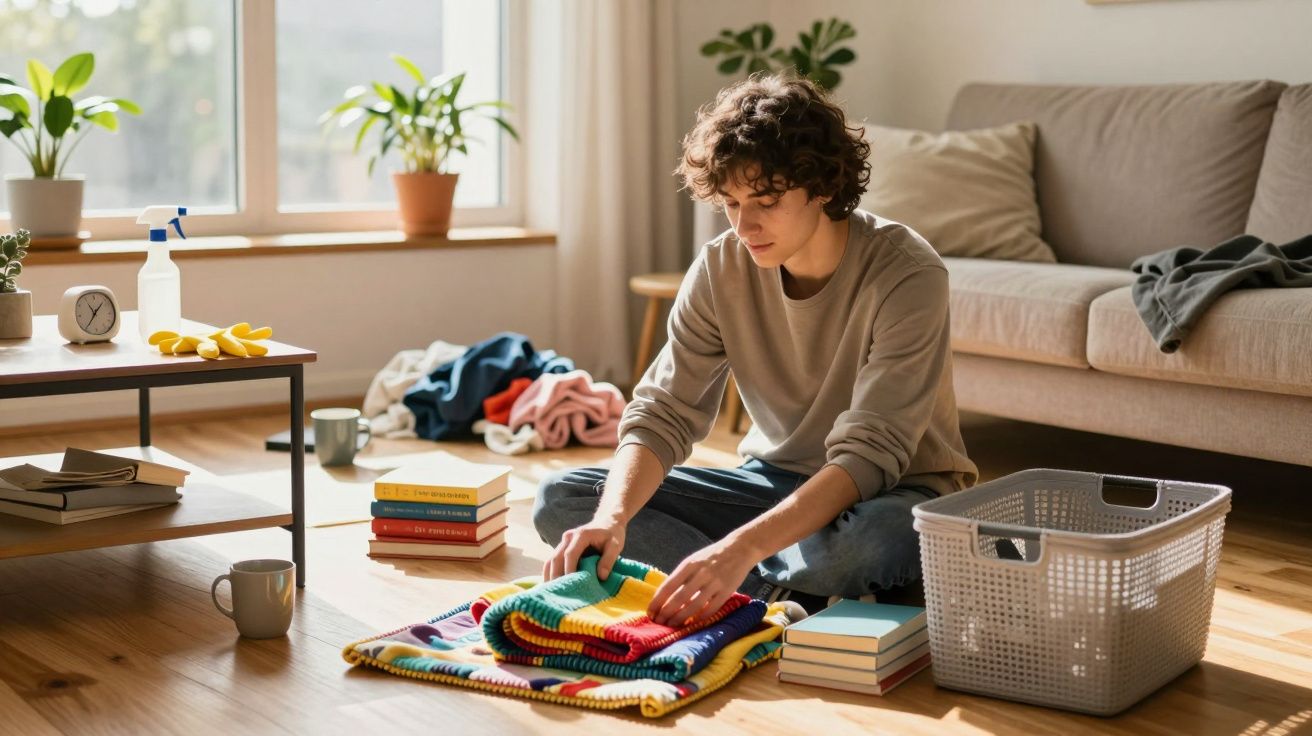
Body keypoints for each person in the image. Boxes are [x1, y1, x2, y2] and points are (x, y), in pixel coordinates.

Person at [533, 72, 978, 626]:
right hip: (770, 484)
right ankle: (773, 599)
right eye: (731, 203)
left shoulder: (907, 273)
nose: (745, 225)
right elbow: (664, 412)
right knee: (566, 499)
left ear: (822, 187)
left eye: (766, 200)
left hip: (891, 492)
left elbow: (870, 455)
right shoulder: (720, 268)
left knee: (876, 542)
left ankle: (753, 586)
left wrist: (738, 547)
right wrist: (613, 519)